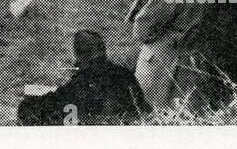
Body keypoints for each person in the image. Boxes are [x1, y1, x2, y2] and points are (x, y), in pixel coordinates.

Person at [18, 30, 149, 125]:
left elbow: (50, 106)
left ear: (81, 56)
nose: (74, 63)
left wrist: (28, 103)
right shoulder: (125, 74)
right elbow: (144, 110)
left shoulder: (83, 81)